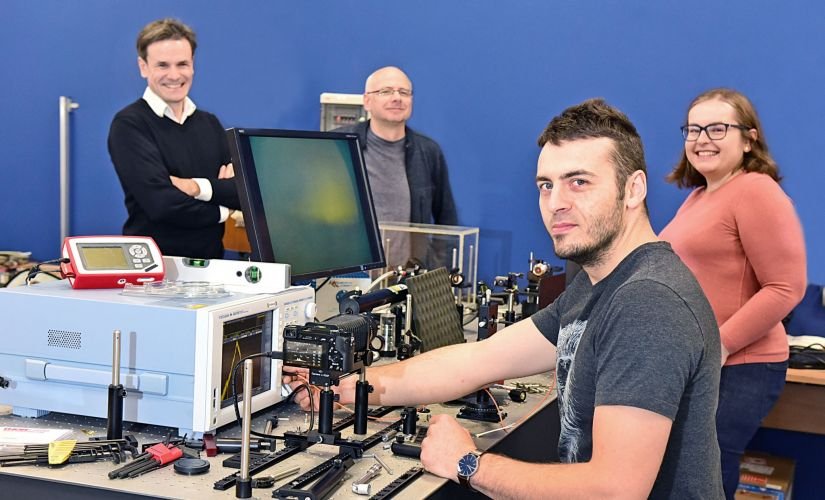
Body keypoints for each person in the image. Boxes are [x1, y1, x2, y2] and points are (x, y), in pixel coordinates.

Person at [288, 99, 724, 498]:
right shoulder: (601, 286)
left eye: (579, 182)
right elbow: (478, 360)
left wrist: (467, 463)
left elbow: (613, 490)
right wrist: (346, 388)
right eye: (545, 185)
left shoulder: (647, 301)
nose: (556, 203)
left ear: (634, 189)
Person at [659, 88, 807, 499]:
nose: (702, 138)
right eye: (693, 128)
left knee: (703, 469)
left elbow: (785, 287)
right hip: (700, 364)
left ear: (748, 138)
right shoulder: (699, 196)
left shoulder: (756, 191)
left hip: (741, 366)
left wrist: (719, 346)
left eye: (718, 128)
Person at [108, 18, 239, 259]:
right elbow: (162, 205)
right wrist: (223, 209)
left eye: (182, 64)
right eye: (162, 65)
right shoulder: (129, 125)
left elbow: (243, 191)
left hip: (212, 268)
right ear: (143, 67)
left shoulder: (209, 124)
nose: (174, 75)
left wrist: (193, 187)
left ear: (193, 65)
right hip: (151, 270)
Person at [336, 66, 457, 268]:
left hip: (407, 280)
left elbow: (447, 218)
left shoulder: (428, 151)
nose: (396, 98)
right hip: (350, 277)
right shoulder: (340, 146)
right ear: (367, 101)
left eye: (404, 92)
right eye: (386, 91)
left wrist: (435, 271)